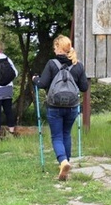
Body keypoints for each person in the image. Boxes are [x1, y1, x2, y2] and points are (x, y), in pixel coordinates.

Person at [33, 35, 89, 180]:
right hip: (71, 106)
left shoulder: (52, 64)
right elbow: (84, 87)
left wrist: (35, 79)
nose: (53, 49)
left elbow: (42, 84)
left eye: (55, 47)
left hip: (54, 106)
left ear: (59, 48)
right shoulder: (78, 65)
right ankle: (66, 162)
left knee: (57, 136)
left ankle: (63, 161)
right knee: (66, 134)